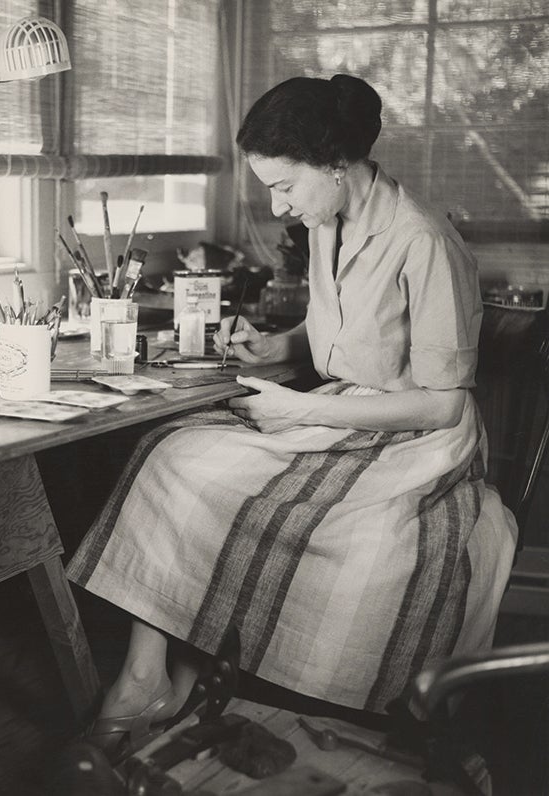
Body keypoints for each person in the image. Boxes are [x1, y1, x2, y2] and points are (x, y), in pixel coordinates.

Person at [67, 73, 517, 759]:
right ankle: (147, 675)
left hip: (416, 438)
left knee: (280, 509)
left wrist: (300, 404)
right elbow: (348, 329)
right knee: (170, 452)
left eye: (285, 186)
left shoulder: (423, 241)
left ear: (339, 167)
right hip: (343, 413)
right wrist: (280, 345)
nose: (277, 207)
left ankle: (185, 671)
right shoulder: (326, 220)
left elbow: (443, 401)